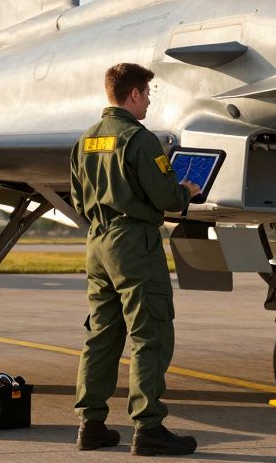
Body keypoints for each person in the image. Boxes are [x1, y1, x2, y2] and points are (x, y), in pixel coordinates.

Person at [71, 63, 202, 455]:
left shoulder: (85, 140)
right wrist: (185, 192)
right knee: (151, 332)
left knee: (102, 334)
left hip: (98, 242)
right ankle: (148, 428)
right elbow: (164, 197)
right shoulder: (138, 140)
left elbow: (78, 200)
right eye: (147, 93)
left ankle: (90, 425)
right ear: (132, 95)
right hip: (134, 244)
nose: (148, 100)